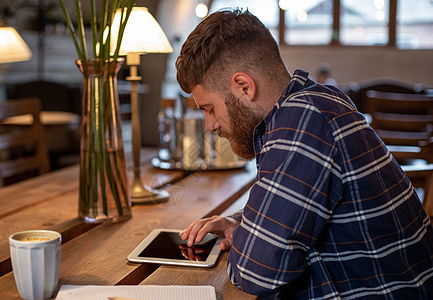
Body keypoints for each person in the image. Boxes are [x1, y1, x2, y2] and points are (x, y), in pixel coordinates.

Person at [176, 8, 433, 299]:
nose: (210, 125)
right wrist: (241, 224)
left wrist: (251, 239)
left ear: (244, 86)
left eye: (210, 109)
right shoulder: (317, 101)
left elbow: (255, 272)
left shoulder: (303, 118)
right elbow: (292, 210)